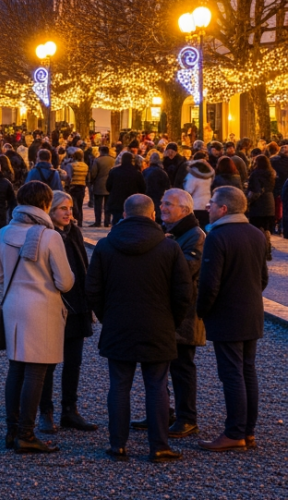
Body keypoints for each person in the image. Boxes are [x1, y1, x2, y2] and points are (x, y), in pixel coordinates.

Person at [86, 194, 192, 463]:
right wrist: (171, 321)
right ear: (153, 215)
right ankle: (159, 446)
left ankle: (118, 445)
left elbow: (93, 289)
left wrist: (107, 316)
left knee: (119, 386)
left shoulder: (106, 246)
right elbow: (183, 293)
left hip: (118, 323)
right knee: (157, 386)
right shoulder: (169, 248)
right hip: (158, 325)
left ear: (124, 214)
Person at [0, 181, 74, 454]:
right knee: (36, 373)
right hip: (43, 310)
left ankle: (12, 431)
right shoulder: (49, 236)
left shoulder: (4, 232)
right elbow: (65, 282)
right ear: (46, 204)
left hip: (13, 307)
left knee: (16, 370)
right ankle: (27, 434)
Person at [196, 186, 269, 452]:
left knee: (232, 374)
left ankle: (235, 433)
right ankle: (248, 432)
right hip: (251, 313)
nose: (208, 207)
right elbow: (263, 278)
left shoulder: (217, 236)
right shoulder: (256, 234)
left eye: (212, 203)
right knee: (247, 371)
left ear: (224, 208)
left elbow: (209, 283)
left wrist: (202, 311)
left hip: (227, 315)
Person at [136, 188, 205, 439]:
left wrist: (160, 250)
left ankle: (188, 418)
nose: (162, 207)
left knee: (182, 367)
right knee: (158, 364)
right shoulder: (168, 232)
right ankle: (162, 412)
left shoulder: (195, 236)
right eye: (162, 203)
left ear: (184, 210)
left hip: (185, 314)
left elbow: (186, 269)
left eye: (168, 204)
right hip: (164, 312)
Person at [37, 191, 97, 433]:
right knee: (48, 363)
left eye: (70, 208)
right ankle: (46, 411)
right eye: (63, 208)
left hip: (77, 306)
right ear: (50, 210)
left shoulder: (74, 232)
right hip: (53, 306)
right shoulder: (45, 235)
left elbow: (83, 266)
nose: (68, 212)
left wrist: (89, 301)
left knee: (73, 362)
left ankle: (70, 410)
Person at [105, 152, 146, 227]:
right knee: (130, 221)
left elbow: (108, 186)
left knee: (116, 220)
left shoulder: (114, 171)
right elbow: (142, 188)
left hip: (116, 201)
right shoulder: (136, 173)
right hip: (131, 201)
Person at [184, 156, 215, 226]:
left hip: (195, 205)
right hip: (207, 203)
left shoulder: (192, 176)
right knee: (204, 224)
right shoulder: (208, 176)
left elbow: (188, 191)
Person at [88, 145, 114, 226]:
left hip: (99, 185)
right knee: (108, 205)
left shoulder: (97, 160)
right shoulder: (113, 160)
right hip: (110, 185)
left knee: (98, 205)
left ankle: (98, 221)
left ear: (100, 151)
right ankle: (107, 221)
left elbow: (93, 173)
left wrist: (91, 181)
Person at [143, 152, 171, 222]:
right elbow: (167, 187)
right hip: (158, 198)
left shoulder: (145, 171)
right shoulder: (162, 172)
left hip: (147, 197)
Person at [65, 149, 89, 226]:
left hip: (73, 186)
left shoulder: (71, 165)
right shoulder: (85, 166)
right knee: (80, 205)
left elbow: (69, 177)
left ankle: (75, 220)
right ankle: (80, 222)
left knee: (74, 205)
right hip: (82, 186)